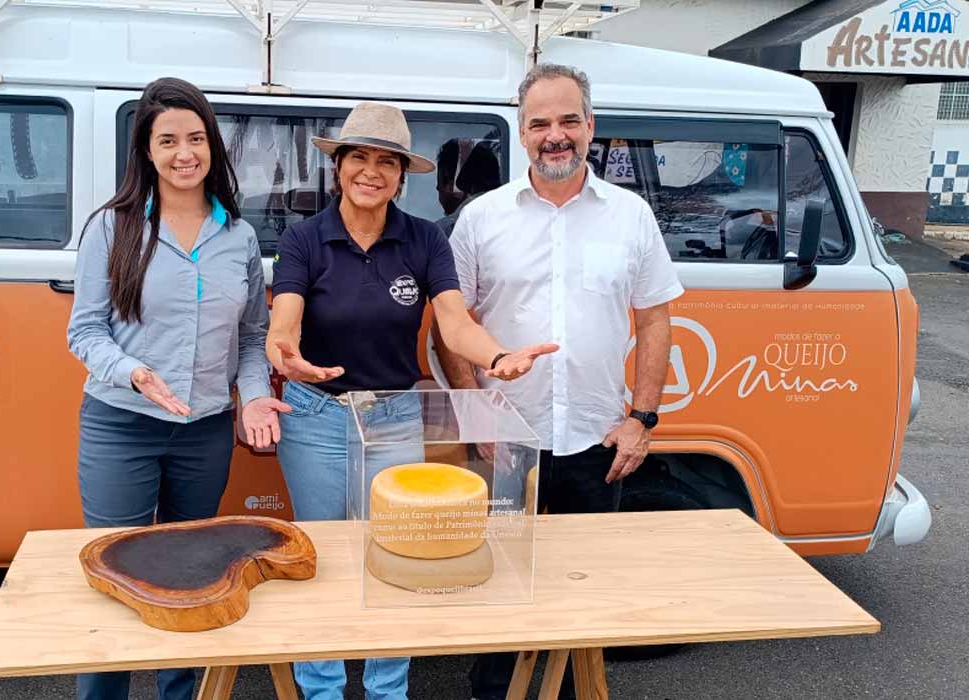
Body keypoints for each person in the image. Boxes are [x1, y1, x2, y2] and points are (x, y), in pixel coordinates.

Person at [266, 101, 557, 700]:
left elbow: (453, 325)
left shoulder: (424, 240)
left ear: (402, 176)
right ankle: (321, 689)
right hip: (316, 417)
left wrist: (498, 357)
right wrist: (285, 352)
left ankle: (387, 688)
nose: (371, 172)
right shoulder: (304, 240)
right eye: (359, 158)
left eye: (386, 162)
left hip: (394, 417)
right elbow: (284, 321)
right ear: (339, 166)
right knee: (318, 558)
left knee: (397, 554)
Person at [434, 63, 684, 700]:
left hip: (597, 443)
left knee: (581, 597)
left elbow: (656, 321)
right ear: (521, 134)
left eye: (568, 120)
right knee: (496, 591)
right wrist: (475, 411)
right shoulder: (481, 219)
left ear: (591, 127)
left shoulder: (630, 217)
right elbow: (451, 323)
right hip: (506, 443)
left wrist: (643, 420)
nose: (555, 135)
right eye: (540, 123)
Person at [67, 77, 289, 700]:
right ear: (146, 149)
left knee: (195, 578)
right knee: (117, 573)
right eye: (168, 140)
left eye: (196, 138)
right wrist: (133, 372)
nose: (184, 153)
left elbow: (250, 338)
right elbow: (84, 332)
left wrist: (253, 397)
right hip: (121, 427)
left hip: (205, 433)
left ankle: (181, 692)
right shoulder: (112, 229)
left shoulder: (239, 237)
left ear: (213, 147)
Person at [435, 141, 502, 237]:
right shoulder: (512, 224)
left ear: (452, 186)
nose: (437, 188)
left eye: (439, 182)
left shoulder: (439, 234)